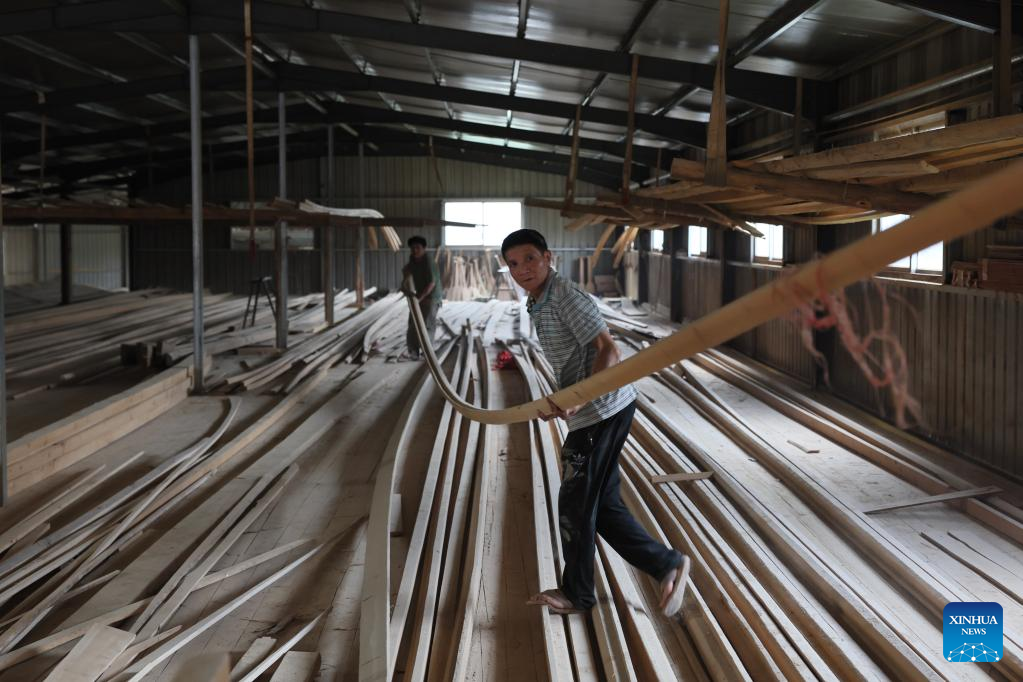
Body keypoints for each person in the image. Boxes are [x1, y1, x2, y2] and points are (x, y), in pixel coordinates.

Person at [502, 228, 687, 617]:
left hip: (602, 409)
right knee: (602, 506)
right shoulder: (538, 300)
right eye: (514, 264)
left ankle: (577, 594)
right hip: (594, 409)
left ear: (548, 257)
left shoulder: (565, 296)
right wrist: (566, 397)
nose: (523, 270)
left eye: (530, 259)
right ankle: (666, 564)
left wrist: (579, 398)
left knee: (574, 503)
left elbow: (609, 349)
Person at [401, 235, 443, 360]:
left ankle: (427, 353)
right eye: (412, 248)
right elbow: (407, 270)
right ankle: (413, 351)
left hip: (432, 297)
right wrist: (404, 284)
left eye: (418, 248)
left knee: (427, 325)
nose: (415, 250)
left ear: (424, 248)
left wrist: (420, 298)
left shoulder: (429, 261)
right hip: (419, 296)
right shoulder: (413, 259)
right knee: (413, 324)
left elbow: (431, 283)